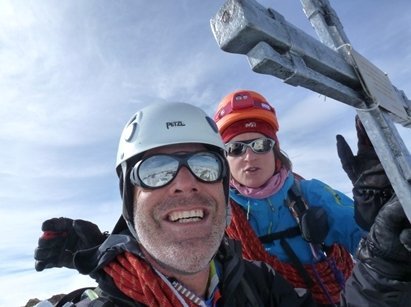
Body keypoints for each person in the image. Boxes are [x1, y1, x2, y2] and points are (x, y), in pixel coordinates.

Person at [34, 101, 411, 306]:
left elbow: (369, 239)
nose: (184, 184)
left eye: (202, 166)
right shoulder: (221, 216)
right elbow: (154, 236)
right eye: (156, 170)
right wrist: (99, 251)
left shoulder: (260, 283)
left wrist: (382, 241)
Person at [213, 90, 363, 306]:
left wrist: (376, 214)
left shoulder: (310, 194)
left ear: (275, 151)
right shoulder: (218, 210)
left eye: (260, 145)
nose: (249, 156)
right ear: (224, 159)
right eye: (235, 148)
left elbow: (368, 237)